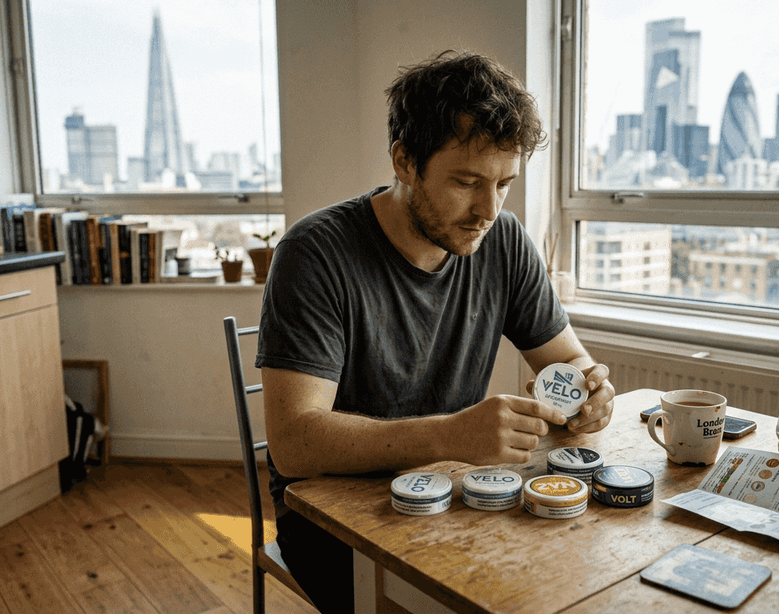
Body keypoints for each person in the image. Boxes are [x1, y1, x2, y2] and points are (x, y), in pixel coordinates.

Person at [256, 50, 615, 613]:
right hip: (332, 517)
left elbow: (567, 364)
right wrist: (451, 436)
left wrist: (591, 394)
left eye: (505, 184)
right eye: (467, 182)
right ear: (404, 161)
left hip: (460, 494)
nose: (488, 210)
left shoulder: (504, 240)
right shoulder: (315, 254)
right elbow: (295, 445)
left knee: (578, 580)